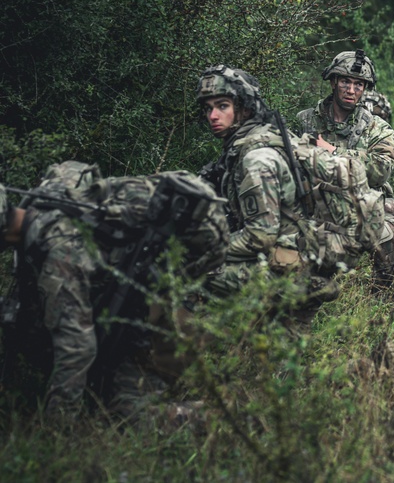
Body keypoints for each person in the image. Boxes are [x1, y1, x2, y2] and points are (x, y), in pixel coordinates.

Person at [0, 162, 228, 419]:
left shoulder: (59, 254)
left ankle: (228, 418)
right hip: (145, 306)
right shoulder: (44, 197)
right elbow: (77, 169)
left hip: (160, 325)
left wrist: (57, 425)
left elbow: (77, 347)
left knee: (126, 414)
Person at [197, 65, 321, 296]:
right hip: (289, 256)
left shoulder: (257, 158)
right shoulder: (251, 141)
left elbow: (260, 236)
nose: (213, 116)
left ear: (243, 108)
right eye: (208, 108)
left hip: (289, 268)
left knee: (192, 273)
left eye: (222, 106)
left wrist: (202, 250)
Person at [296, 49, 394, 293]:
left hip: (365, 204)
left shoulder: (378, 127)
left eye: (358, 84)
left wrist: (332, 151)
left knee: (386, 234)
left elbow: (380, 170)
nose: (351, 90)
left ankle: (383, 298)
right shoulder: (305, 121)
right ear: (333, 81)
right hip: (317, 201)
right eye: (345, 81)